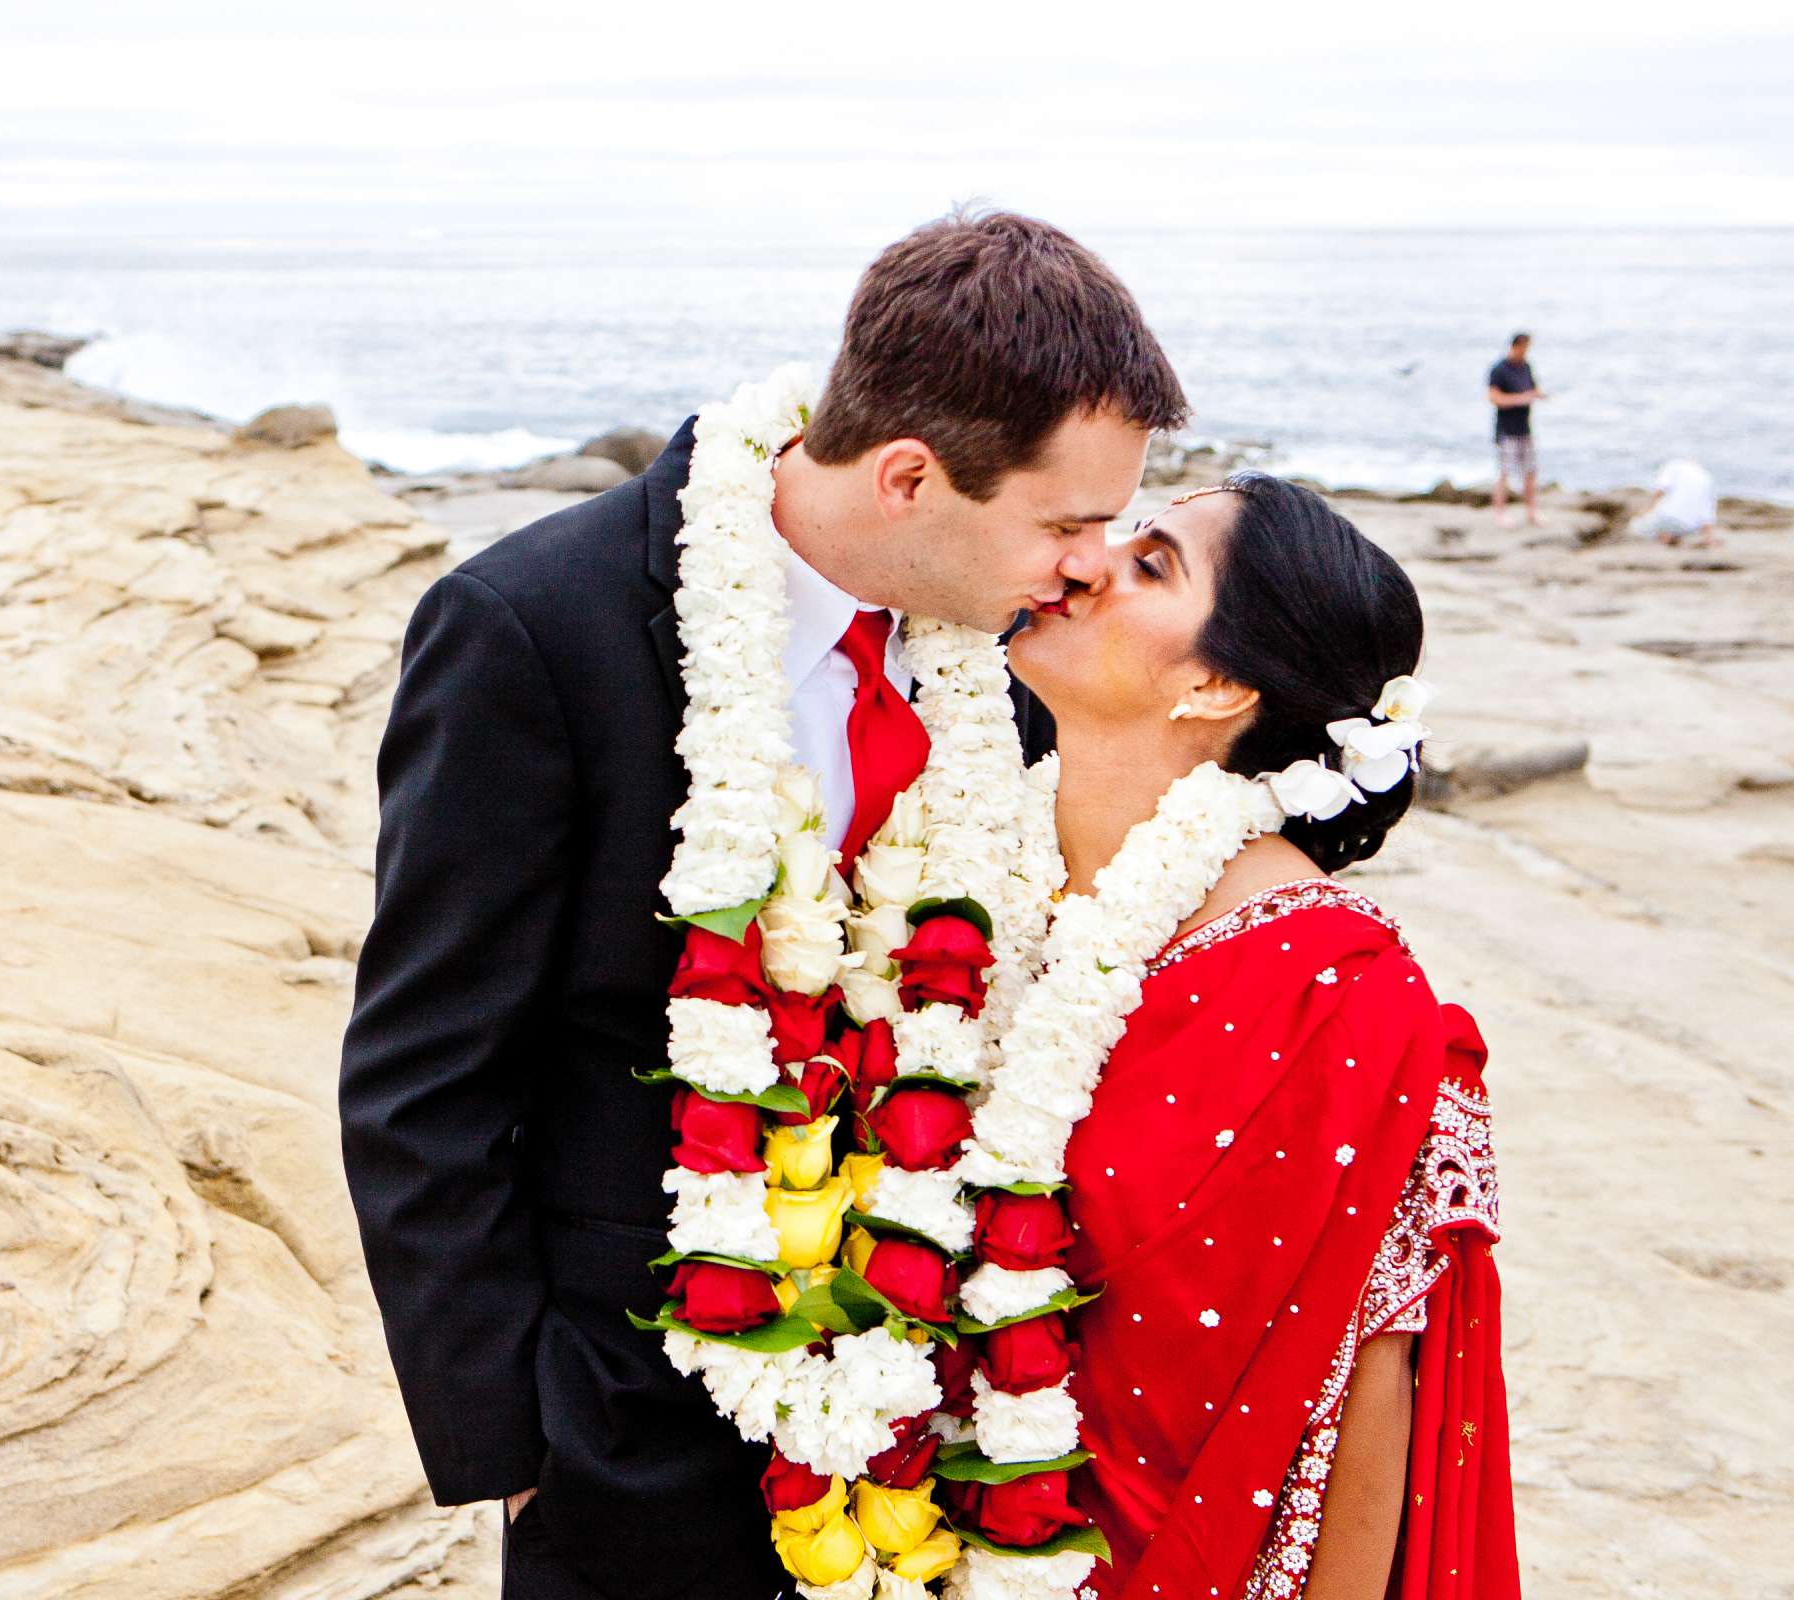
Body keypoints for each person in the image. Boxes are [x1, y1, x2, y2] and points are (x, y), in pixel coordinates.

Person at [339, 211, 1189, 1600]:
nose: (1093, 562)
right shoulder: (533, 628)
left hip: (937, 1392)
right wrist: (513, 1438)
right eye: (1067, 521)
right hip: (628, 1408)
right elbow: (420, 1075)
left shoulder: (1006, 665)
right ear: (911, 478)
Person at [1005, 474, 1517, 1598]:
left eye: (1151, 565)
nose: (1083, 559)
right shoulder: (953, 868)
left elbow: (1367, 1412)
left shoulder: (1340, 991)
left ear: (1219, 683)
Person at [1486, 332, 1544, 528]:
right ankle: (1499, 514)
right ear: (1516, 346)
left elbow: (1532, 390)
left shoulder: (1526, 366)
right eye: (1524, 348)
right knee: (1505, 473)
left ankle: (1531, 512)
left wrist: (1537, 396)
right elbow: (1494, 398)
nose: (1526, 352)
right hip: (1506, 431)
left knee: (1530, 471)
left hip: (1525, 429)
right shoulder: (1499, 370)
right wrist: (1521, 398)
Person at [1633, 457, 1719, 548]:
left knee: (1637, 526)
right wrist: (1710, 539)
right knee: (1675, 524)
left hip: (1667, 518)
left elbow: (1660, 491)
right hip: (1688, 527)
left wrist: (1647, 511)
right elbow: (1707, 514)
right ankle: (1670, 535)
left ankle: (1664, 536)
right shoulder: (1706, 477)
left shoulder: (1674, 465)